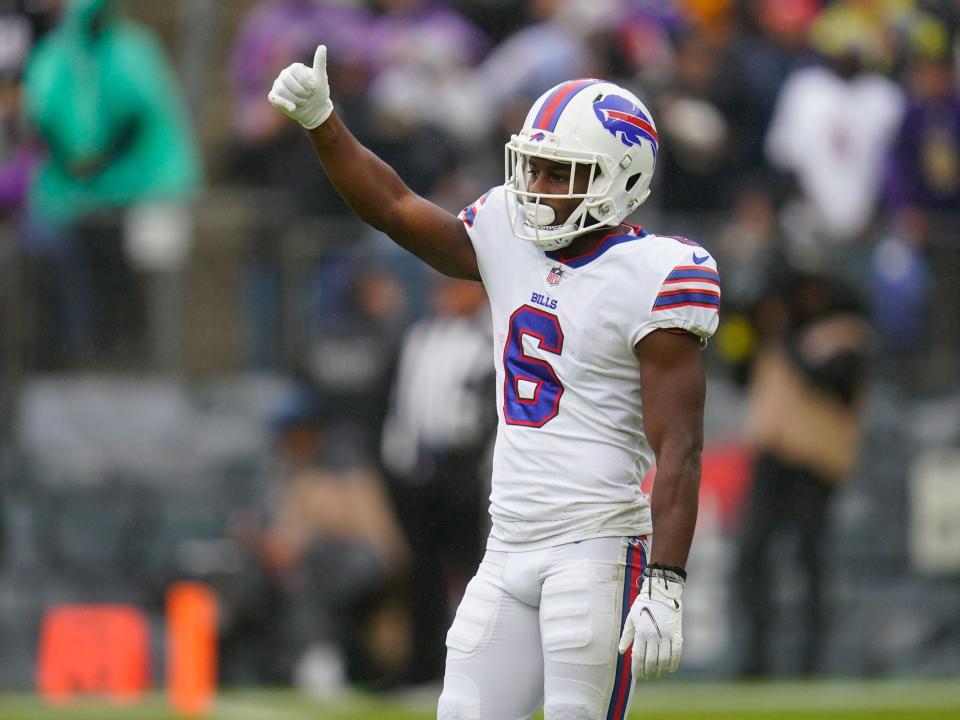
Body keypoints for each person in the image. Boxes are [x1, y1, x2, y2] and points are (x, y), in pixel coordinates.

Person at [268, 47, 720, 718]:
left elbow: (678, 443)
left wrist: (667, 581)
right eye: (533, 165)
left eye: (559, 173)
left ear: (620, 180)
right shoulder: (508, 233)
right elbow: (393, 206)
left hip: (595, 548)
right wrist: (323, 121)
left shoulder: (656, 275)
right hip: (506, 545)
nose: (535, 185)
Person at [736, 271, 871, 677]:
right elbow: (739, 372)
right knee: (752, 554)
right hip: (772, 459)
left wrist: (786, 340)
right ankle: (755, 659)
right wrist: (747, 329)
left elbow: (835, 383)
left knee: (809, 559)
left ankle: (812, 663)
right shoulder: (775, 339)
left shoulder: (845, 334)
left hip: (815, 465)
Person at [380, 275, 496, 685]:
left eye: (456, 287)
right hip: (419, 468)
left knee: (473, 570)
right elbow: (402, 402)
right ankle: (423, 667)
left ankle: (477, 666)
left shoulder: (492, 336)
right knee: (422, 571)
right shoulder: (419, 338)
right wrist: (398, 456)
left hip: (466, 467)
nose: (445, 296)